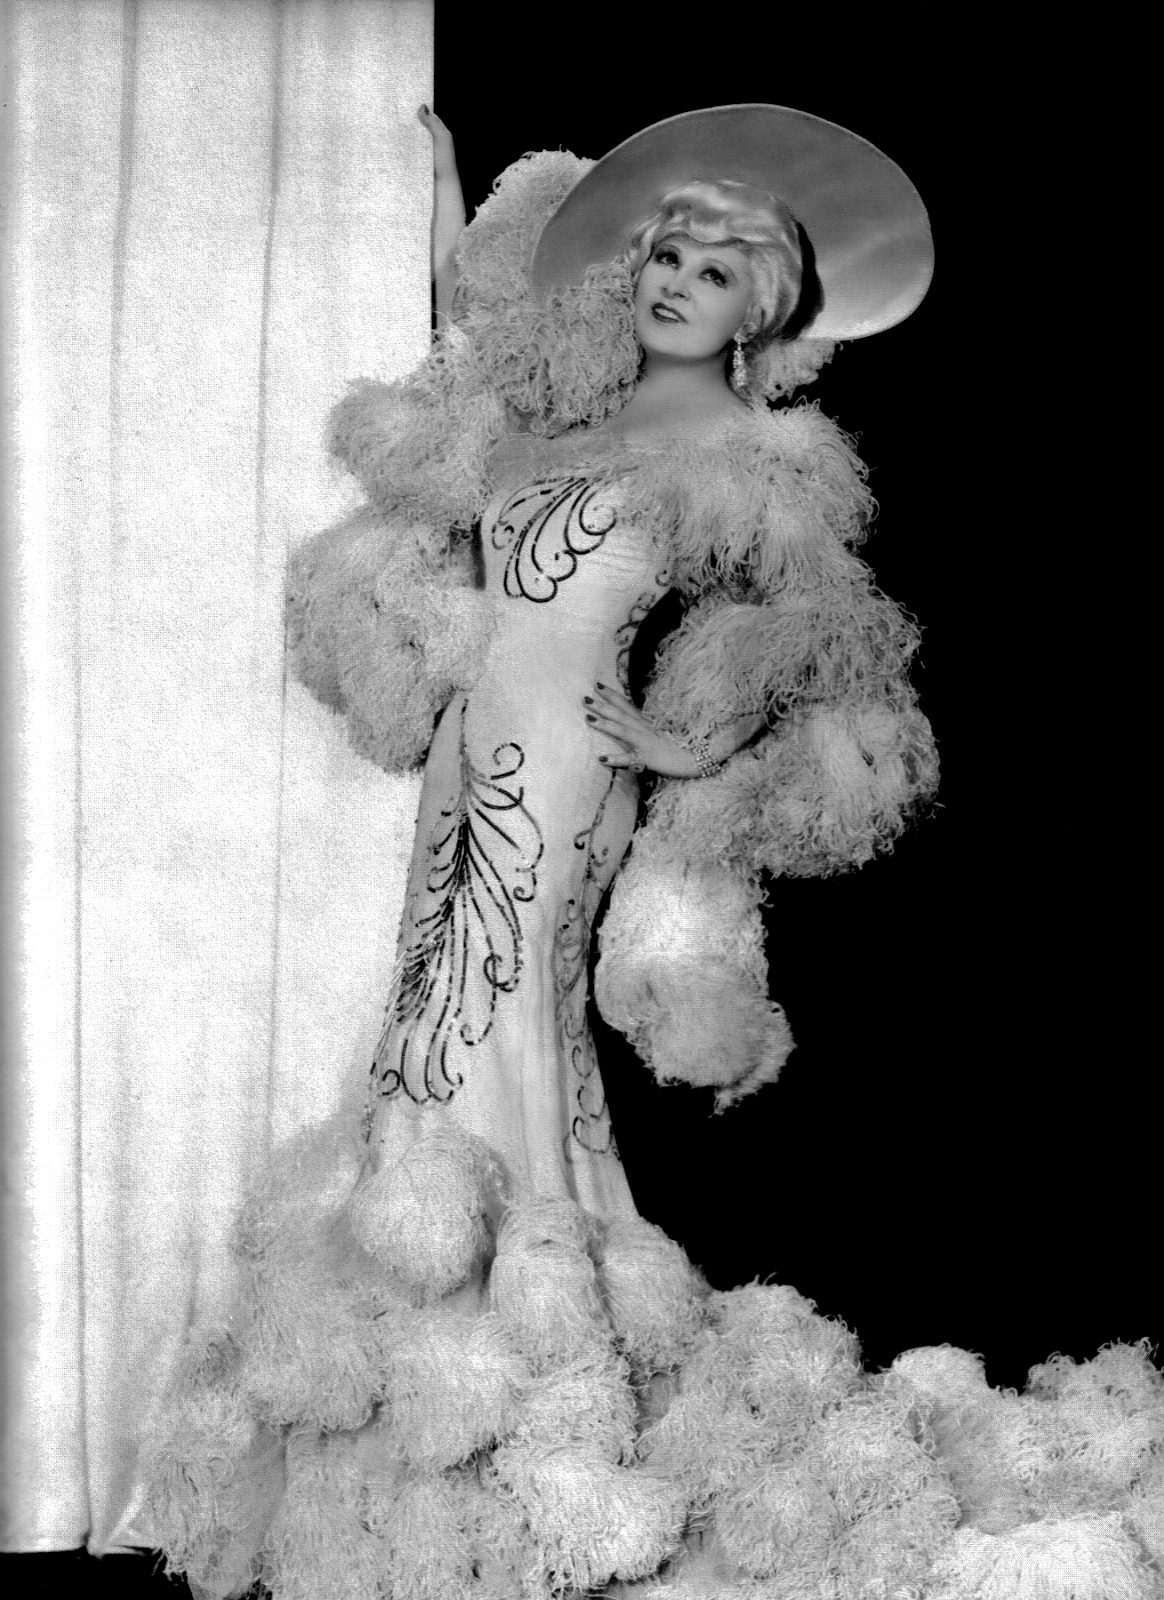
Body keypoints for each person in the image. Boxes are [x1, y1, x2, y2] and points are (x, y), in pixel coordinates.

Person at [149, 106, 972, 1600]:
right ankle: (421, 1381)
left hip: (572, 775)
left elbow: (835, 631)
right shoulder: (550, 415)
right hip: (465, 762)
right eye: (667, 253)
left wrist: (691, 738)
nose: (678, 283)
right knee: (427, 1024)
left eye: (715, 271)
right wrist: (446, 196)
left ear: (761, 311)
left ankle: (530, 1398)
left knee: (500, 1032)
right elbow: (467, 357)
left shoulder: (749, 456)